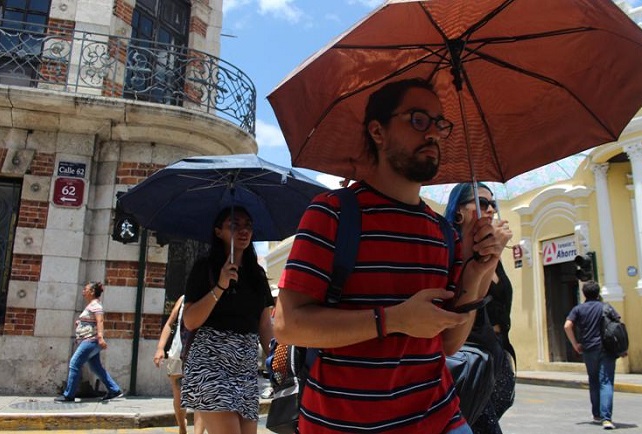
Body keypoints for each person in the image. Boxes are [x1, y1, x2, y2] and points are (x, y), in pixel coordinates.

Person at [274, 78, 512, 433]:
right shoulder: (332, 213)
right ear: (378, 131)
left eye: (439, 124)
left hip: (440, 419)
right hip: (341, 425)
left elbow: (448, 344)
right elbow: (288, 325)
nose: (432, 133)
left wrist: (477, 272)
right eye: (418, 120)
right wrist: (393, 319)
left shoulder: (443, 233)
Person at [181, 206, 274, 434]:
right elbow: (190, 321)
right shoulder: (205, 268)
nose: (244, 231)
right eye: (234, 225)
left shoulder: (257, 274)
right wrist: (220, 285)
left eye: (248, 226)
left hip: (245, 364)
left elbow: (264, 325)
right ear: (218, 231)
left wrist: (279, 361)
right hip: (210, 361)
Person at [444, 182, 517, 434]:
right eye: (481, 203)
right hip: (467, 353)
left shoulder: (488, 252)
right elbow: (476, 297)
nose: (490, 210)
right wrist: (487, 258)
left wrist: (493, 255)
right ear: (459, 211)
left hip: (495, 352)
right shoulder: (449, 249)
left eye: (493, 204)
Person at [564, 281, 618, 430]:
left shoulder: (579, 309)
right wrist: (621, 348)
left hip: (588, 349)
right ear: (598, 292)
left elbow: (567, 325)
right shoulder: (606, 307)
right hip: (607, 349)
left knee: (594, 381)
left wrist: (575, 344)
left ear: (584, 294)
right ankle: (607, 418)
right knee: (606, 382)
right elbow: (618, 326)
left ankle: (597, 415)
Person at [55, 282, 123, 402]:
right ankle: (114, 390)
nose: (83, 291)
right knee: (96, 367)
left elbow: (100, 321)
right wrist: (80, 323)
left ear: (91, 292)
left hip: (90, 341)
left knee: (74, 364)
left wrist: (101, 337)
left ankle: (69, 395)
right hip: (89, 340)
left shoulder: (96, 305)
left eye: (85, 289)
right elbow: (91, 321)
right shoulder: (91, 305)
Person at [153, 295, 205, 434]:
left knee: (202, 397)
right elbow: (170, 322)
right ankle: (182, 427)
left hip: (202, 355)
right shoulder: (183, 299)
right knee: (179, 397)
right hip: (178, 352)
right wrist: (160, 348)